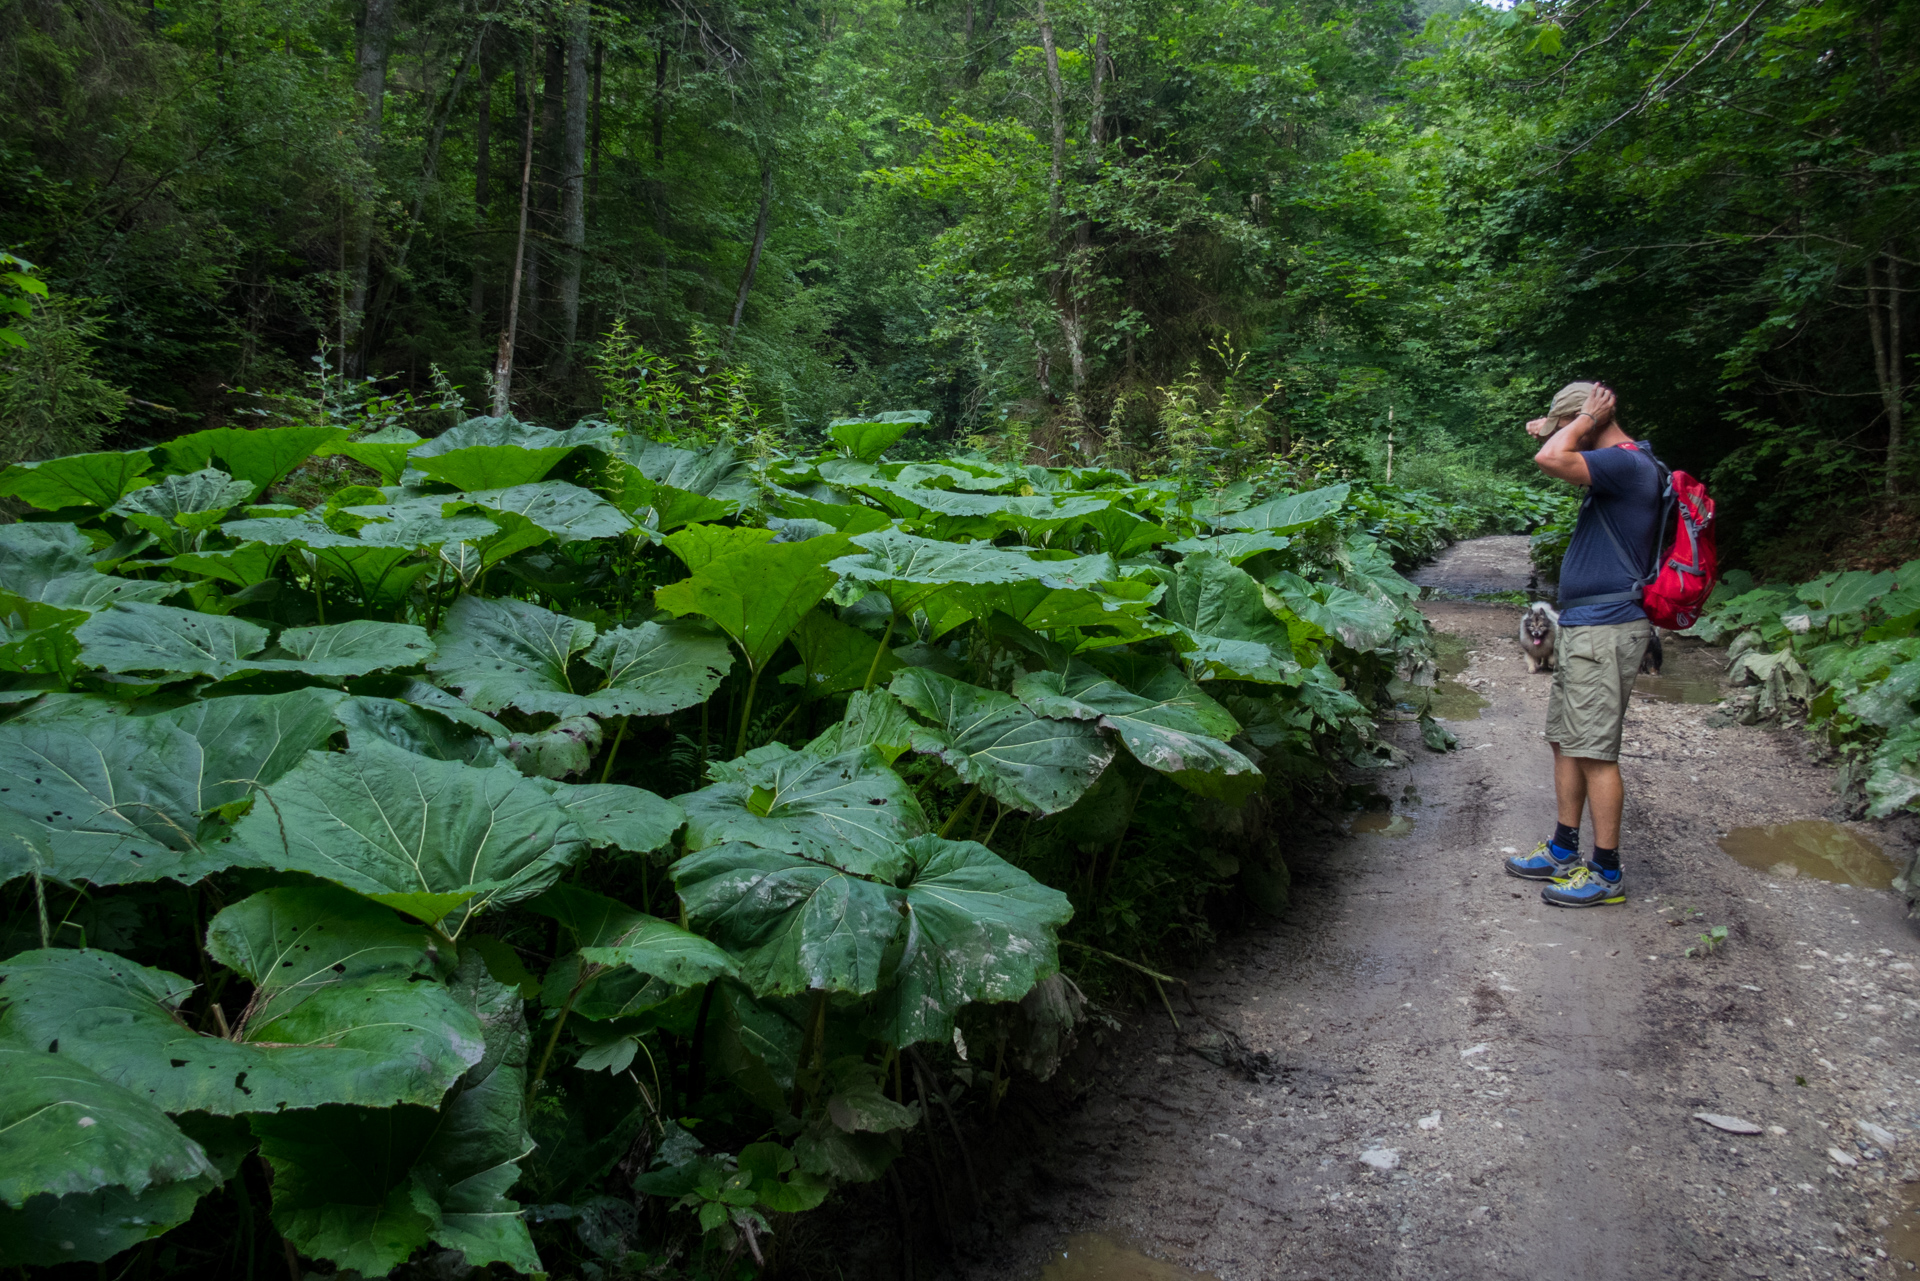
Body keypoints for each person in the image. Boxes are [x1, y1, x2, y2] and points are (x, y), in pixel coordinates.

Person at [1502, 381, 1663, 907]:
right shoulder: (1619, 466)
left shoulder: (1628, 463)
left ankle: (1607, 873)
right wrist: (1564, 424)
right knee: (1567, 739)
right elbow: (1555, 449)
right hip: (1586, 626)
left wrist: (1574, 425)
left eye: (1574, 423)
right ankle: (1562, 848)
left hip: (1608, 628)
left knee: (1594, 751)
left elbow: (1551, 456)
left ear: (1590, 420)